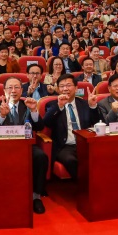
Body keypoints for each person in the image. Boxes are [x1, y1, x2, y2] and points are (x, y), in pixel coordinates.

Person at [38, 74, 98, 214]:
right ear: (58, 89)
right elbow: (46, 123)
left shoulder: (84, 104)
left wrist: (93, 106)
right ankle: (88, 189)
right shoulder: (52, 105)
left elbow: (96, 122)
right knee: (70, 160)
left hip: (84, 142)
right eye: (62, 86)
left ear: (76, 88)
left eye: (69, 85)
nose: (65, 89)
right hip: (65, 146)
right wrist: (59, 106)